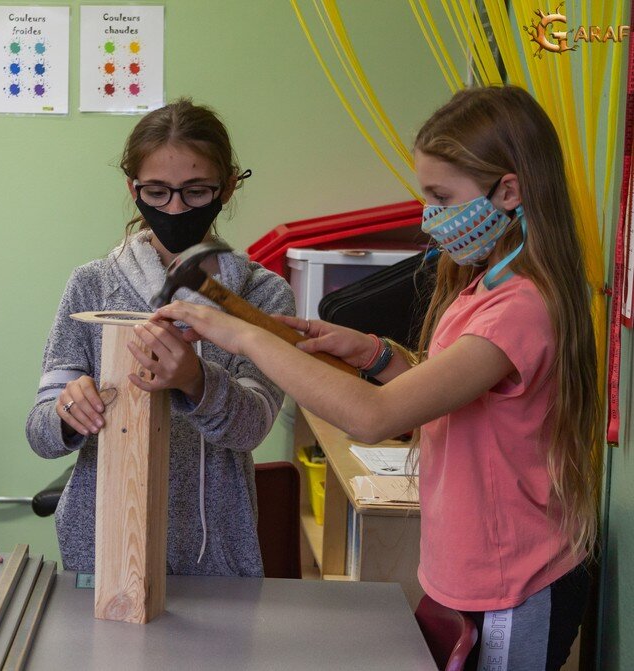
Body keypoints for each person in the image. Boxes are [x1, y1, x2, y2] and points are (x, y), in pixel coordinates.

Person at [158, 85, 599, 670]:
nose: (430, 215)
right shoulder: (482, 287)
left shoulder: (521, 307)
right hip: (470, 572)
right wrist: (372, 354)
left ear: (509, 191)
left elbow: (373, 418)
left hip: (515, 583)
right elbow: (447, 395)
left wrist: (241, 334)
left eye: (442, 196)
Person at [26, 99, 295, 577]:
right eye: (157, 192)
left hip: (216, 555)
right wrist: (68, 414)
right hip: (101, 546)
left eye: (195, 192)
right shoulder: (93, 285)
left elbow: (253, 426)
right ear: (133, 189)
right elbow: (41, 431)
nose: (174, 208)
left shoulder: (263, 296)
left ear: (227, 187)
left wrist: (196, 381)